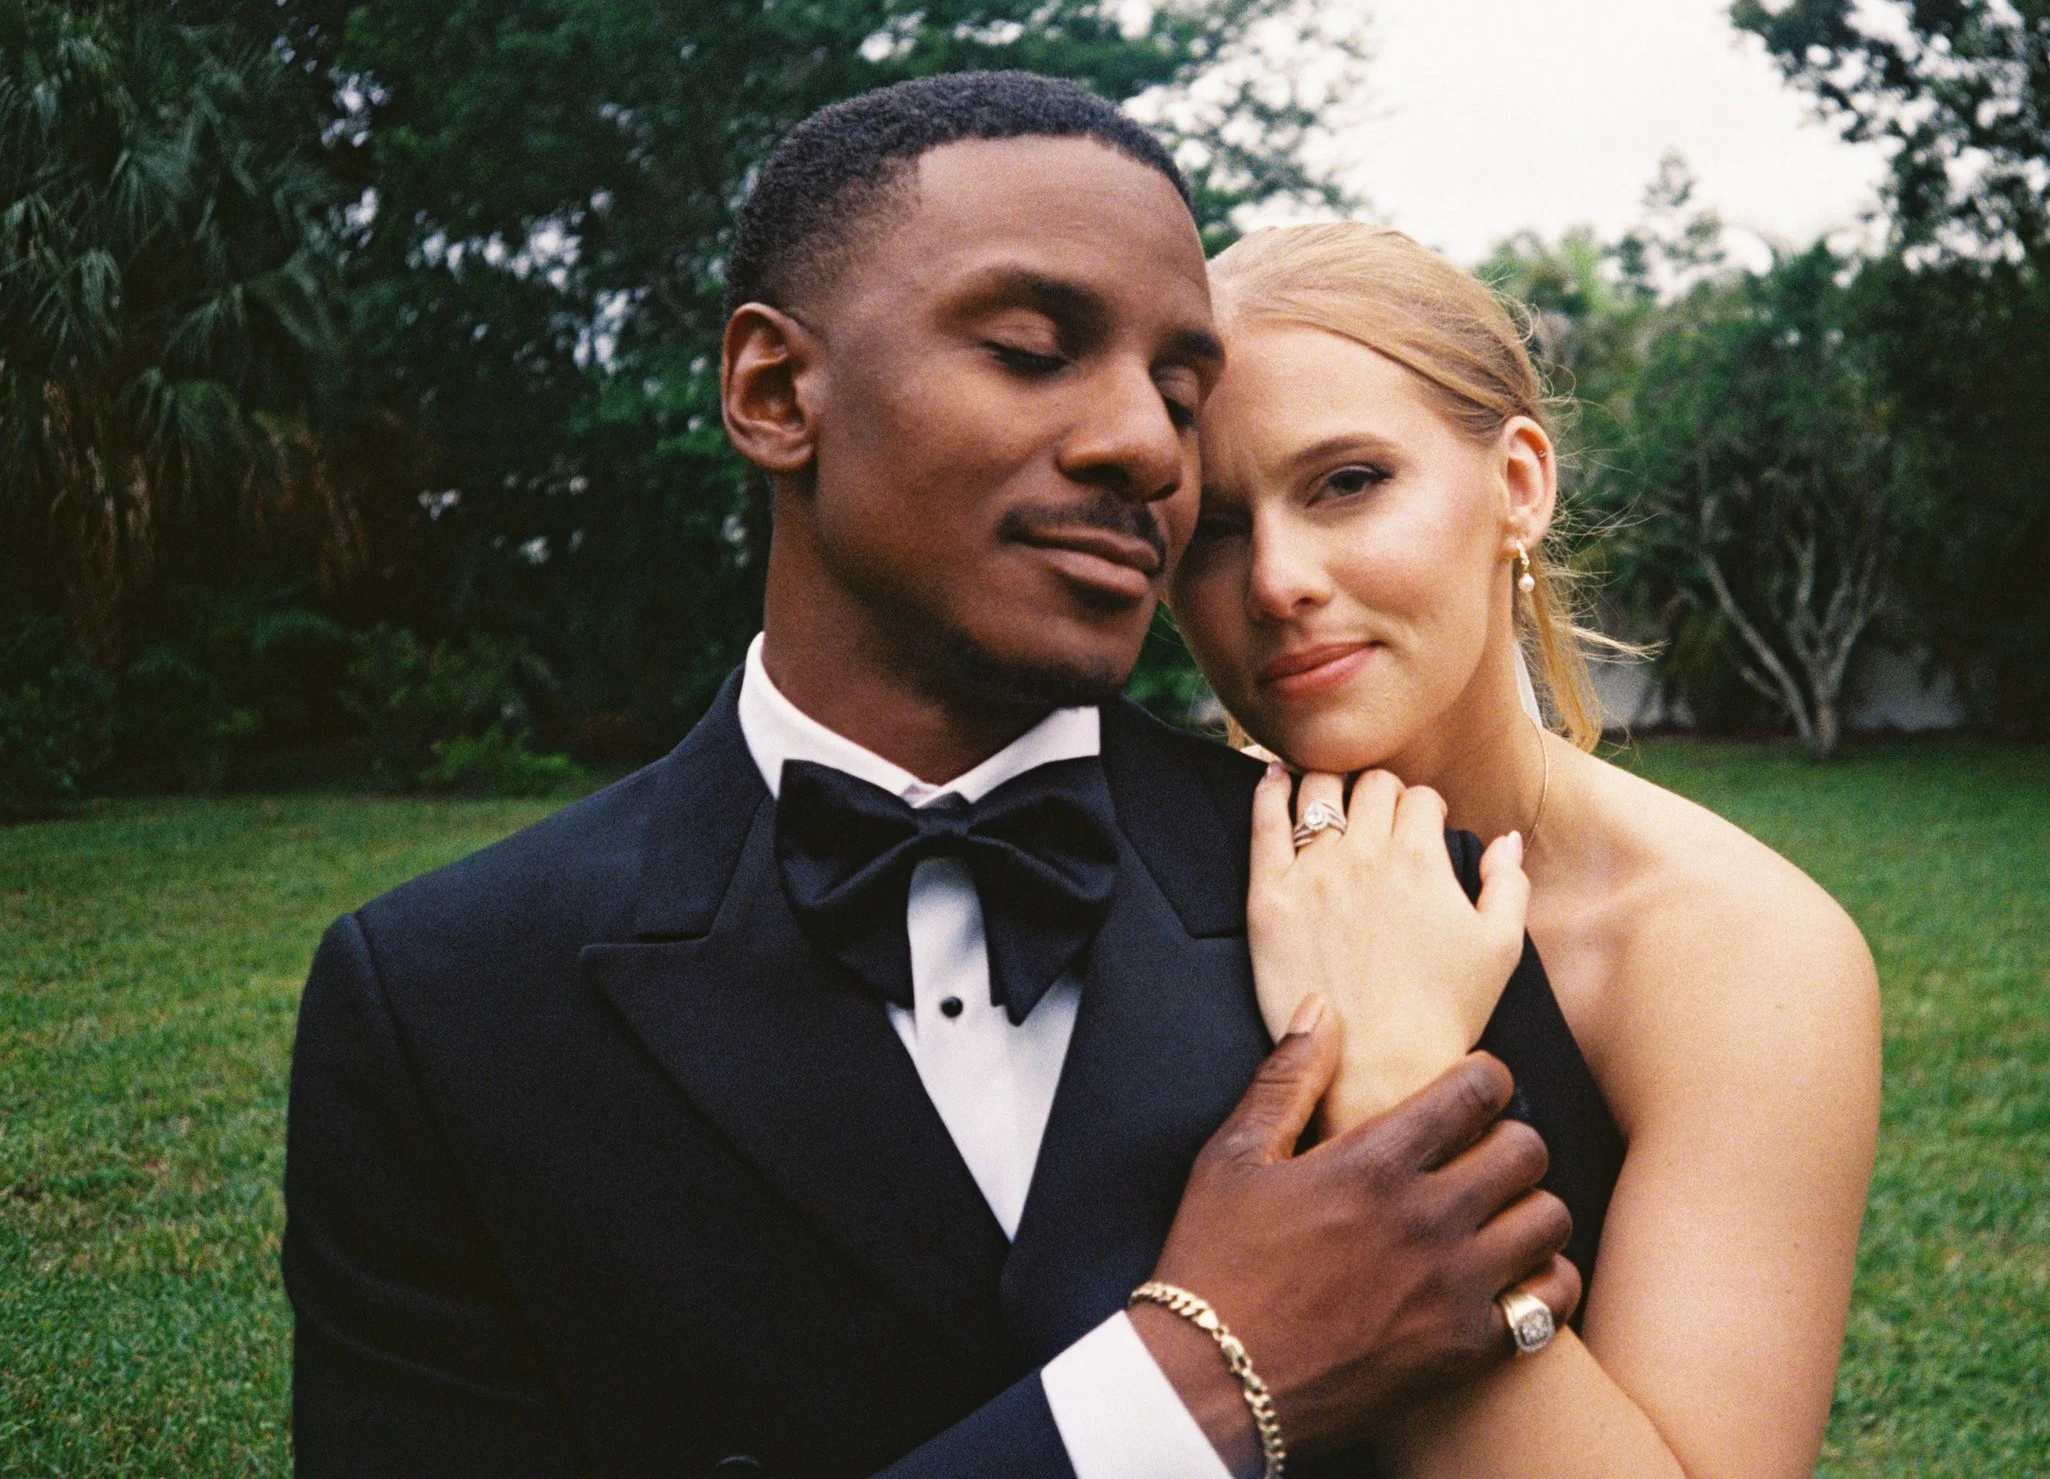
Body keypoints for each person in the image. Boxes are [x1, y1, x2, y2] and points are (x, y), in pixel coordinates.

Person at [282, 75, 1604, 1479]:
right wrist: (1191, 1391)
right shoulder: (444, 1005)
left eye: (1180, 390)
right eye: (1034, 350)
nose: (1147, 446)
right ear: (777, 391)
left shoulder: (1397, 900)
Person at [1166, 223, 1884, 1479]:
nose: (1277, 578)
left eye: (1346, 481)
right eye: (1213, 526)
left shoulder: (1738, 952)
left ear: (1518, 485)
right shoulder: (1125, 873)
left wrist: (1391, 1090)